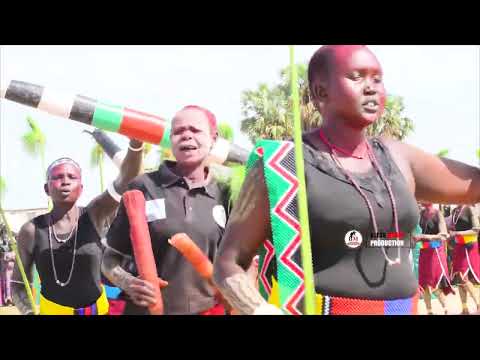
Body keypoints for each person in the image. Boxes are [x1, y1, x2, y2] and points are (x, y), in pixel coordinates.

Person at [212, 45, 480, 315]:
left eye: (377, 79)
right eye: (357, 77)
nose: (372, 87)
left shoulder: (399, 156)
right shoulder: (283, 163)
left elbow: (474, 187)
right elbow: (228, 263)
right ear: (320, 92)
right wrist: (260, 311)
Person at [102, 105, 231, 315]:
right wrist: (128, 282)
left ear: (213, 138)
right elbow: (109, 259)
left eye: (195, 130)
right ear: (171, 139)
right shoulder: (143, 187)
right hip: (146, 311)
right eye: (178, 132)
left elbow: (240, 263)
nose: (187, 136)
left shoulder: (225, 193)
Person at [11, 138, 144, 315]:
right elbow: (18, 284)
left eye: (72, 177)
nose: (65, 181)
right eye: (57, 177)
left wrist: (136, 144)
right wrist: (28, 312)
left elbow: (127, 177)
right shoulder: (31, 230)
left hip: (99, 311)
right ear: (46, 188)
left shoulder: (95, 214)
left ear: (81, 188)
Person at [414, 202, 453, 315]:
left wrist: (424, 237)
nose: (421, 200)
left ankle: (446, 308)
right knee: (424, 283)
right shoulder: (420, 213)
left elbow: (443, 235)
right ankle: (429, 311)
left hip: (436, 251)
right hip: (424, 251)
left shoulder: (438, 213)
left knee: (435, 282)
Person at [449, 204, 480, 314]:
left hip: (469, 246)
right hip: (458, 247)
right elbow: (451, 228)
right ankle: (464, 308)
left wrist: (457, 233)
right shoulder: (454, 211)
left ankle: (478, 304)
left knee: (463, 277)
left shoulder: (469, 208)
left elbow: (476, 229)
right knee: (459, 278)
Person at [0, 225, 15, 306]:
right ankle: (8, 298)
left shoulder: (11, 239)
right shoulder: (6, 240)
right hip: (6, 262)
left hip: (10, 262)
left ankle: (10, 298)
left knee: (10, 281)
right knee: (7, 281)